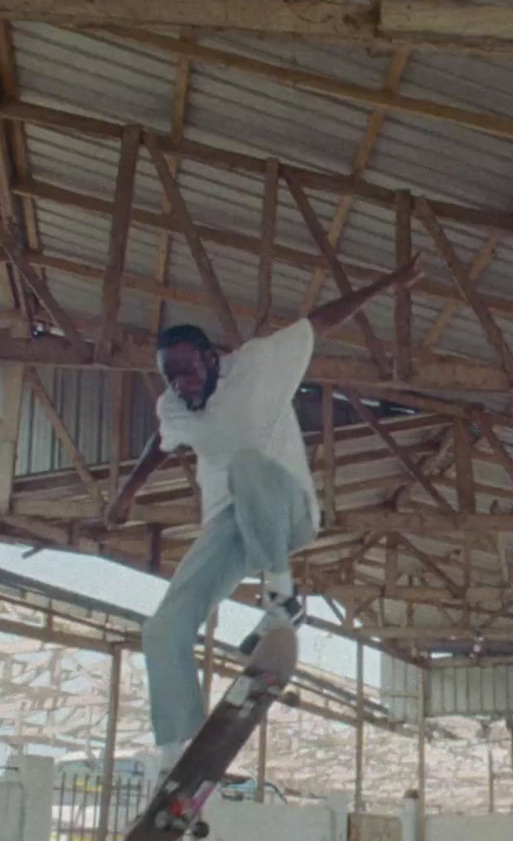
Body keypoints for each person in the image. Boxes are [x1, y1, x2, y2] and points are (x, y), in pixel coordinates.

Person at [104, 254, 423, 773]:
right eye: (171, 377)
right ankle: (176, 753)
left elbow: (320, 320)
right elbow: (160, 446)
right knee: (162, 628)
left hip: (287, 511)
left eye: (188, 371)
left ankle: (282, 600)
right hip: (231, 530)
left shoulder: (257, 363)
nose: (182, 384)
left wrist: (386, 281)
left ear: (211, 358)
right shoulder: (174, 406)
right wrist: (125, 494)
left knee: (246, 465)